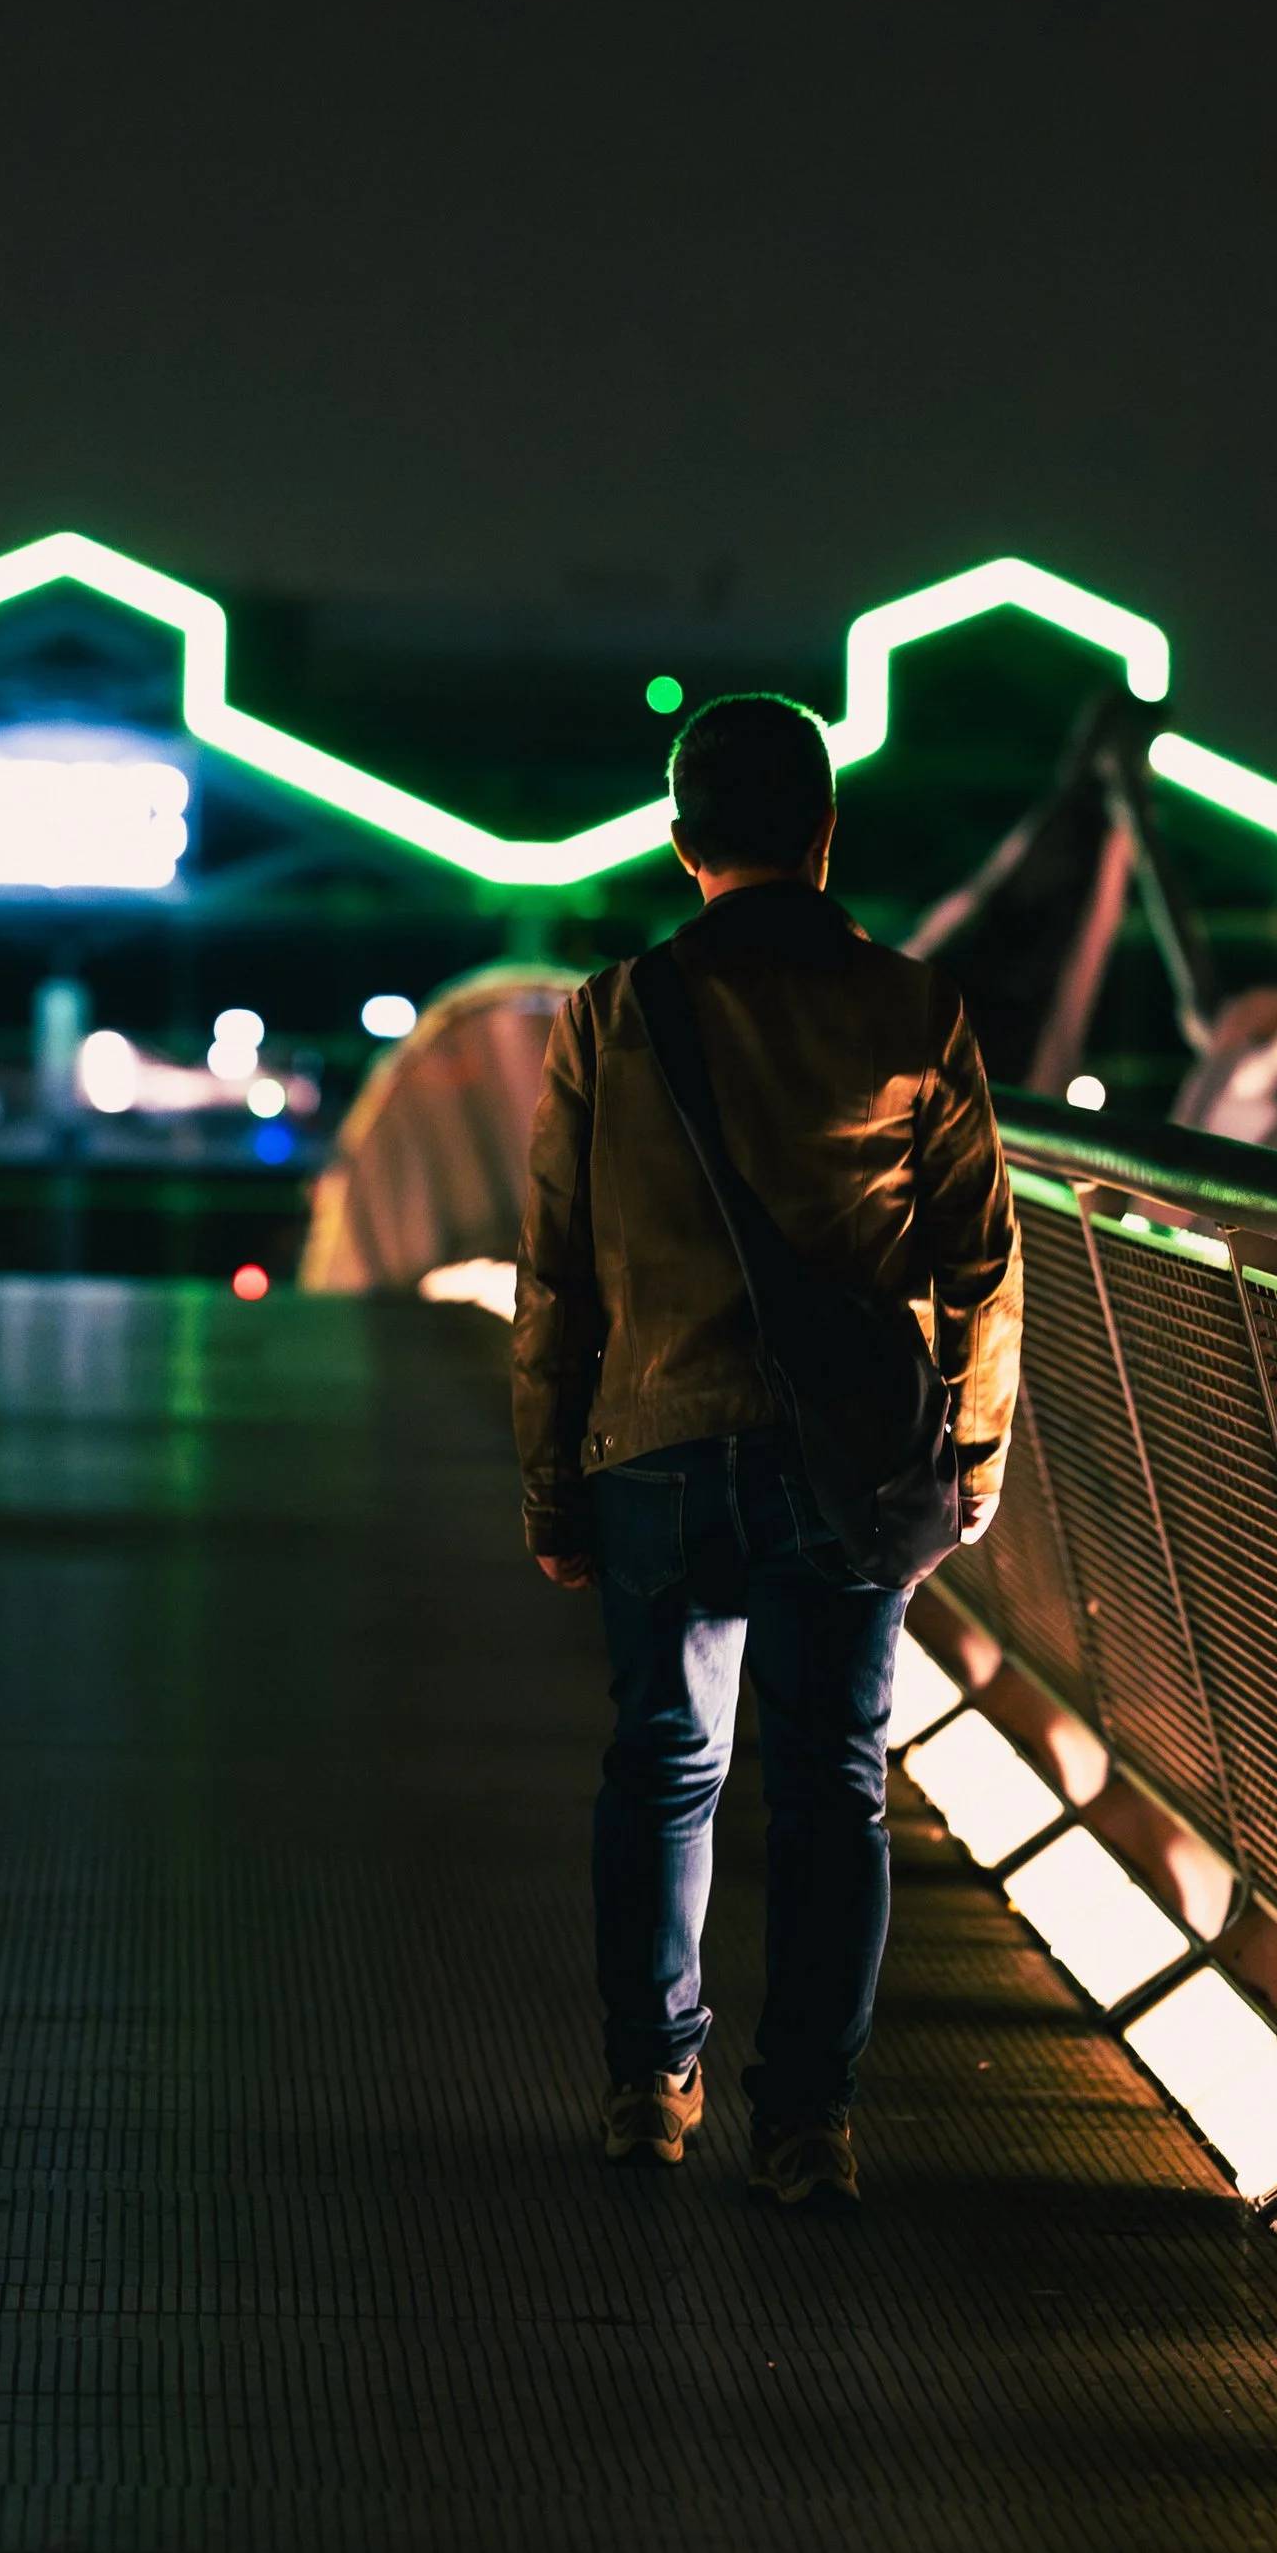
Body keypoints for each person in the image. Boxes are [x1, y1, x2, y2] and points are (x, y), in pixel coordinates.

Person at [513, 692, 1021, 2207]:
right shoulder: (914, 1011)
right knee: (830, 1786)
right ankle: (807, 2120)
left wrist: (553, 1478)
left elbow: (557, 1274)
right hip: (843, 1474)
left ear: (683, 849)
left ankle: (647, 2084)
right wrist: (973, 1463)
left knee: (665, 1768)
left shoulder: (611, 1011)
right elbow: (982, 1264)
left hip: (656, 1448)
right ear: (824, 834)